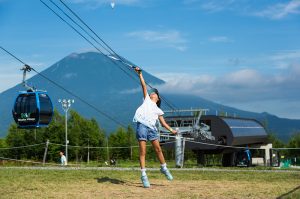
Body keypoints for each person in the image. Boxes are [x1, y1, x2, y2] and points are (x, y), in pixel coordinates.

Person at [133, 67, 177, 188]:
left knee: (158, 149)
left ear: (158, 99)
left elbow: (163, 123)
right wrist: (140, 74)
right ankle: (143, 176)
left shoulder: (158, 110)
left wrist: (172, 130)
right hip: (142, 125)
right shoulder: (146, 100)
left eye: (155, 93)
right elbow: (143, 86)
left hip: (152, 129)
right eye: (152, 92)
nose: (152, 93)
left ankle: (164, 168)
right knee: (143, 152)